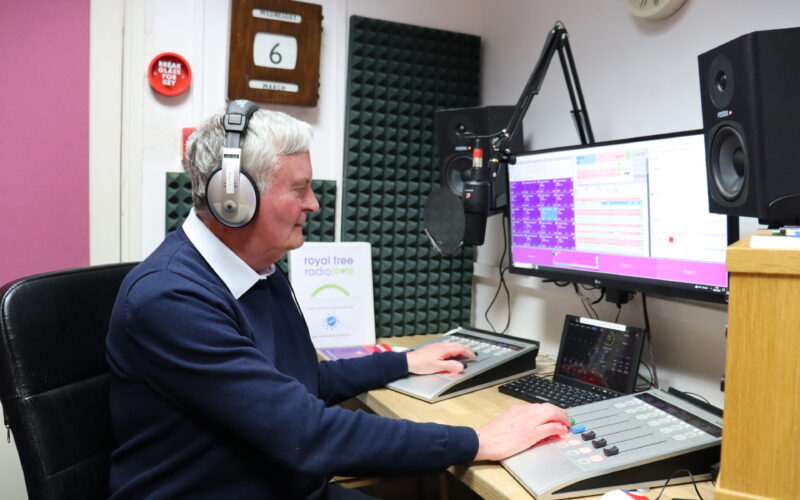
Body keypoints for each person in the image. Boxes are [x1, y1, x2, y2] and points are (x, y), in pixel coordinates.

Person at [106, 102, 570, 500]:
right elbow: (306, 432)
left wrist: (401, 364)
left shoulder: (256, 269)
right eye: (299, 188)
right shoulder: (171, 298)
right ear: (234, 199)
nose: (314, 204)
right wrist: (477, 439)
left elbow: (296, 380)